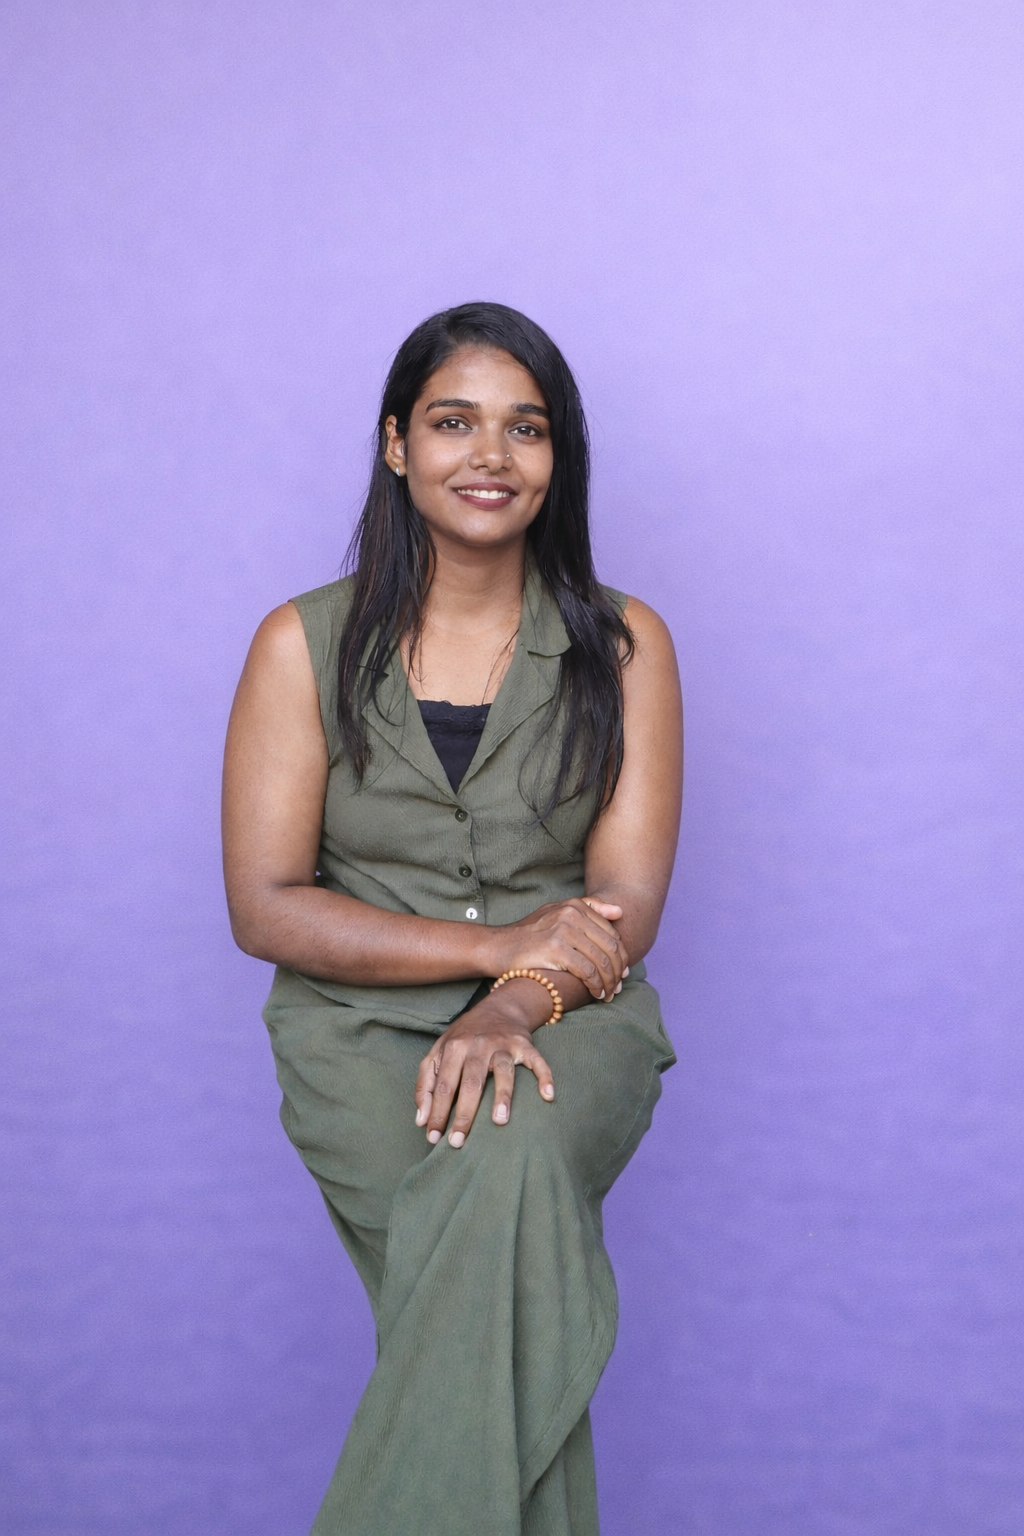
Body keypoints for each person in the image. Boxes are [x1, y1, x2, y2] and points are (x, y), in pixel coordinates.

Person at [221, 302, 683, 1536]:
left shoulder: (627, 645)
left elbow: (624, 901)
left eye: (525, 428)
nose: (491, 454)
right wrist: (489, 948)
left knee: (510, 1168)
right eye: (453, 422)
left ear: (557, 458)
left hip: (569, 1019)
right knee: (498, 1327)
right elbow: (265, 906)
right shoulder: (299, 646)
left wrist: (515, 997)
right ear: (394, 446)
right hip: (354, 1041)